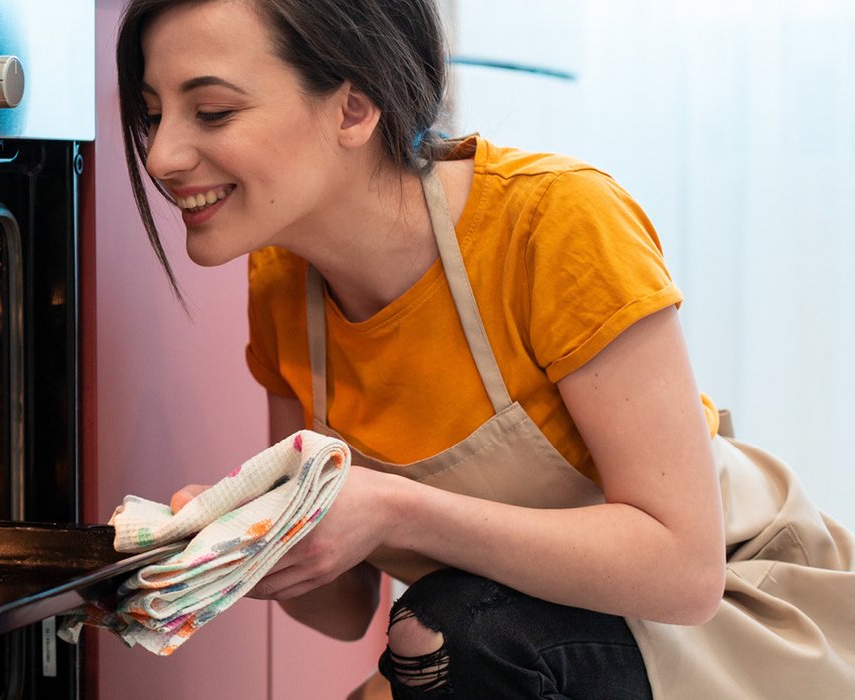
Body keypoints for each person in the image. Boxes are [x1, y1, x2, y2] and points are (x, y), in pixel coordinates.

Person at [115, 0, 855, 697]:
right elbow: (343, 610)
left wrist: (397, 512)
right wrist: (245, 538)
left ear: (353, 107)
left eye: (212, 111)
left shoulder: (556, 223)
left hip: (741, 622)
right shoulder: (283, 283)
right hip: (520, 646)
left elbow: (683, 573)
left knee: (449, 624)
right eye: (153, 116)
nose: (163, 156)